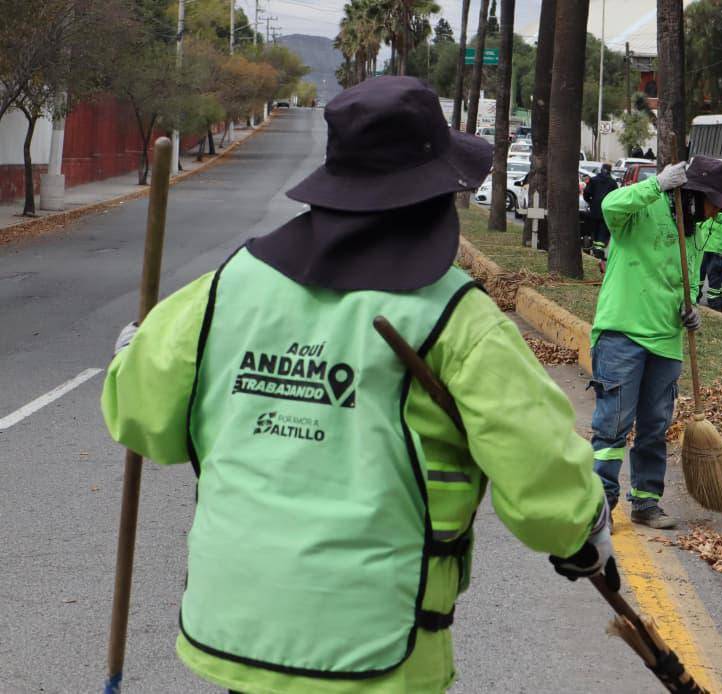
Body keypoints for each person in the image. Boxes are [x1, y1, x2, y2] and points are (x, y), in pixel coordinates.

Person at [101, 77, 616, 694]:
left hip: (240, 632)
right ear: (431, 196)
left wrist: (132, 351)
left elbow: (143, 417)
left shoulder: (229, 286)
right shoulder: (454, 316)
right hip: (375, 651)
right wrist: (583, 533)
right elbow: (539, 473)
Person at [590, 155, 722, 529]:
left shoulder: (693, 231)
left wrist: (689, 309)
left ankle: (646, 501)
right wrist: (655, 184)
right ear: (694, 194)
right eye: (714, 205)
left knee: (654, 426)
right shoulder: (644, 209)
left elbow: (687, 284)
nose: (714, 216)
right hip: (622, 334)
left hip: (666, 341)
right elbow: (608, 205)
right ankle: (599, 505)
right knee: (613, 426)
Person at [695, 209, 722, 311]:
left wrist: (712, 210)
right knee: (698, 277)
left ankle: (716, 304)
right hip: (703, 250)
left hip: (718, 253)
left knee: (714, 281)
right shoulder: (706, 214)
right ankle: (696, 297)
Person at [582, 162, 619, 263]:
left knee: (595, 229)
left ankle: (595, 248)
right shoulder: (612, 182)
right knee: (603, 231)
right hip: (606, 211)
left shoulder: (593, 180)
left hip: (594, 211)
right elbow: (616, 196)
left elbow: (586, 193)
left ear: (601, 169)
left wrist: (591, 202)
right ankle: (599, 251)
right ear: (610, 171)